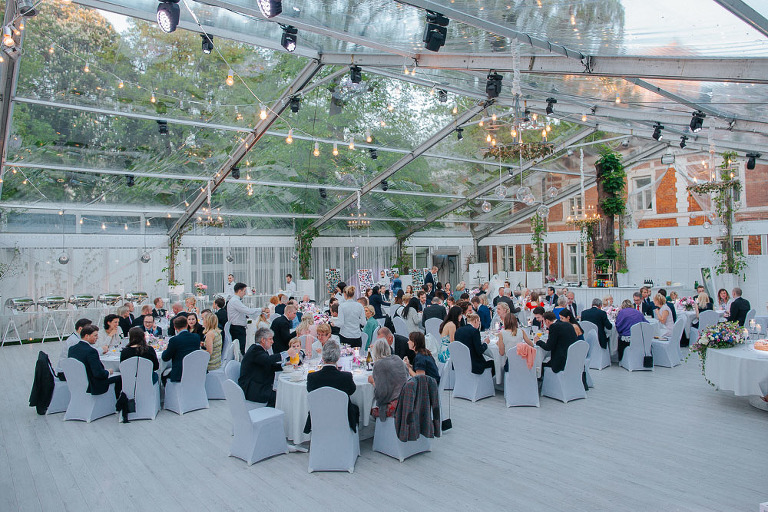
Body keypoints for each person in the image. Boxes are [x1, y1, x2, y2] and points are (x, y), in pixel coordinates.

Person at [305, 340, 357, 433]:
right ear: (337, 358)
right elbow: (352, 391)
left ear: (323, 357)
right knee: (355, 407)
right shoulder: (346, 376)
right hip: (341, 414)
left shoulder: (312, 377)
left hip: (319, 415)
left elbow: (310, 391)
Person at [239, 328, 296, 407]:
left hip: (256, 385)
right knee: (281, 396)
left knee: (281, 394)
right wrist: (286, 353)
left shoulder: (258, 350)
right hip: (252, 390)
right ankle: (271, 414)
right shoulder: (255, 350)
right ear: (263, 340)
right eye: (270, 339)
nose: (272, 341)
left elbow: (269, 365)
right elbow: (268, 360)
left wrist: (285, 364)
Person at [69, 325, 122, 398]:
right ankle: (117, 403)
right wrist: (108, 371)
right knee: (120, 377)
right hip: (92, 384)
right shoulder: (91, 351)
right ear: (87, 336)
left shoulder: (72, 349)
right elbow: (99, 374)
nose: (97, 338)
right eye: (95, 335)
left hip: (77, 382)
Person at [368, 339, 409, 420]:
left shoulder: (378, 365)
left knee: (367, 411)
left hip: (393, 405)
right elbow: (406, 375)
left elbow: (380, 394)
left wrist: (373, 382)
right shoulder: (397, 359)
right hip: (406, 400)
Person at [161, 315, 203, 384]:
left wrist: (166, 349)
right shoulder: (196, 337)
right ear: (187, 325)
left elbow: (165, 357)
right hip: (195, 370)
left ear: (175, 327)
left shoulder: (174, 340)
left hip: (180, 373)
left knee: (163, 375)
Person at [228, 282, 261, 356]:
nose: (245, 293)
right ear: (239, 291)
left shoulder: (236, 300)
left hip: (238, 327)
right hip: (237, 328)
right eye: (244, 291)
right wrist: (260, 309)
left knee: (241, 348)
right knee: (239, 350)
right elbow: (247, 310)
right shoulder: (235, 301)